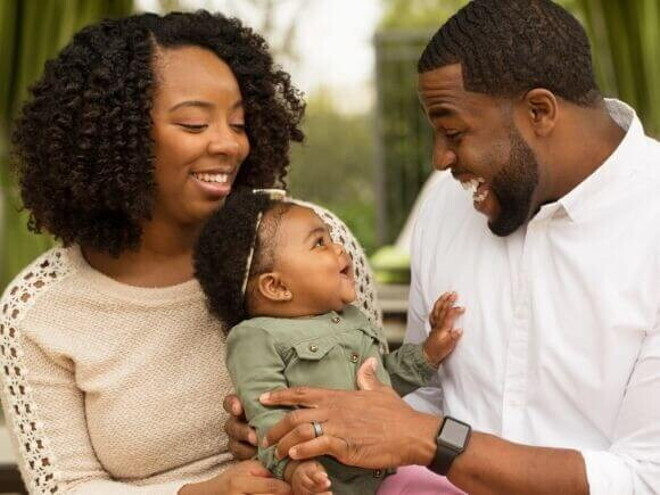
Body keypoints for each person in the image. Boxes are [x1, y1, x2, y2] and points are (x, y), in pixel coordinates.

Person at [223, 1, 660, 494]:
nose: (439, 159)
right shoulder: (445, 204)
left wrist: (435, 441)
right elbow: (423, 398)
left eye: (453, 132)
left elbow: (647, 478)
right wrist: (307, 431)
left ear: (539, 111)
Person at [0, 10, 374, 495]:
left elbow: (378, 388)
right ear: (119, 136)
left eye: (239, 122)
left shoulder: (310, 243)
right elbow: (64, 486)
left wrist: (289, 434)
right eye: (195, 124)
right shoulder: (39, 312)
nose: (229, 144)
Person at [193, 188, 464, 495]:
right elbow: (267, 418)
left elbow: (381, 382)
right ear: (277, 286)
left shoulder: (352, 317)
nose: (338, 248)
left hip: (386, 475)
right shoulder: (256, 337)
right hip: (325, 484)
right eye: (319, 243)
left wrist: (429, 352)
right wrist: (294, 469)